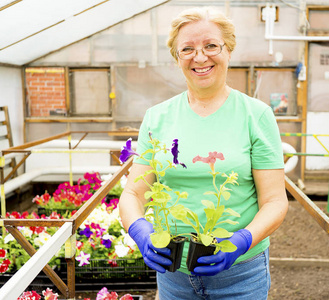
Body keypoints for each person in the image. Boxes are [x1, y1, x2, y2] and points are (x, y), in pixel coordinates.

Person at [119, 6, 288, 300]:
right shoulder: (157, 117)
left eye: (211, 45)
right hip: (173, 278)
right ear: (177, 58)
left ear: (229, 50)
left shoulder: (255, 115)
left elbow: (274, 201)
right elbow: (133, 194)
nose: (200, 57)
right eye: (187, 49)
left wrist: (241, 241)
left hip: (241, 276)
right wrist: (140, 232)